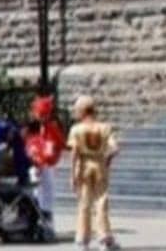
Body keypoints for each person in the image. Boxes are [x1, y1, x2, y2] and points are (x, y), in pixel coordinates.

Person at [67, 95, 119, 251]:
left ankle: (83, 240)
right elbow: (115, 148)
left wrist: (72, 173)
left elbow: (75, 152)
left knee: (84, 203)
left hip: (84, 165)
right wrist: (107, 160)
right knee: (101, 201)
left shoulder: (76, 129)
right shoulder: (105, 128)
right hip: (99, 164)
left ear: (82, 111)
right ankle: (104, 239)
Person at [26, 94, 66, 231]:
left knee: (47, 192)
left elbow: (60, 144)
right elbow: (27, 143)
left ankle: (47, 218)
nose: (42, 117)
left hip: (47, 164)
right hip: (34, 163)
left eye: (45, 115)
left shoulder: (52, 127)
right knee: (36, 192)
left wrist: (53, 155)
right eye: (40, 114)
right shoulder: (31, 127)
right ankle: (35, 218)